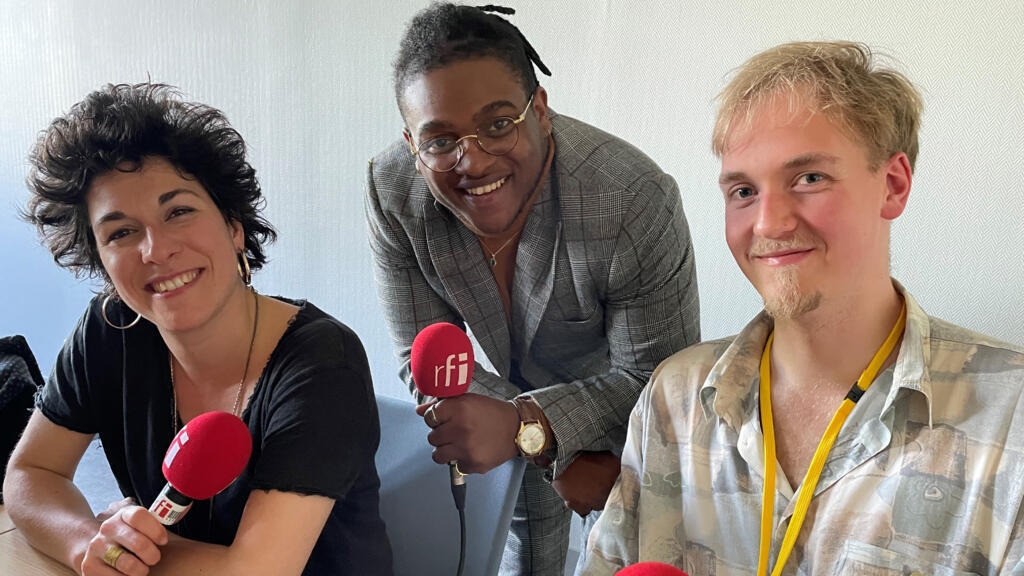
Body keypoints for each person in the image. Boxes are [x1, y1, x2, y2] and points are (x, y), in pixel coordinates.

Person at [580, 41, 1024, 575]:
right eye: (743, 190)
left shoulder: (1010, 418)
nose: (768, 224)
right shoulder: (676, 399)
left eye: (809, 178)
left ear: (893, 184)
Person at [3, 83, 392, 576]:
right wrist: (87, 543)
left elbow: (258, 571)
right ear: (101, 260)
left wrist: (130, 547)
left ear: (234, 227)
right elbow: (30, 472)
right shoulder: (109, 330)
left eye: (178, 212)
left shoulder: (322, 361)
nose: (155, 250)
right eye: (120, 232)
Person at [365, 4, 700, 574]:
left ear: (539, 110)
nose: (471, 161)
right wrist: (530, 438)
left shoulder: (632, 198)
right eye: (440, 140)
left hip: (619, 429)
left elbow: (657, 385)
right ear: (411, 145)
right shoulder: (392, 189)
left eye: (499, 123)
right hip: (498, 413)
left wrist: (537, 431)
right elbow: (421, 355)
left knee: (626, 556)